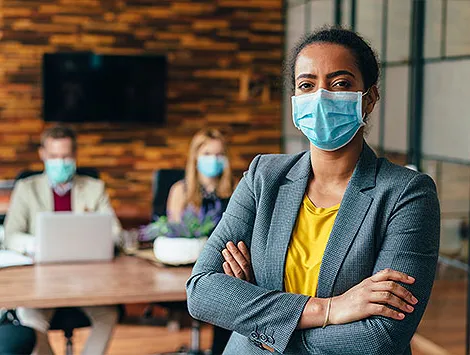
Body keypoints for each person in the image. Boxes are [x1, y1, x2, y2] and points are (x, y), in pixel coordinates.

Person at [186, 27, 440, 355]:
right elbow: (202, 290)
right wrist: (330, 309)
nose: (321, 96)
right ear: (294, 97)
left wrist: (261, 321)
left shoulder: (407, 194)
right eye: (307, 84)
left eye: (341, 83)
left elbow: (381, 337)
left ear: (370, 98)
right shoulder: (264, 177)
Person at [4, 125, 122, 355]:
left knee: (109, 314)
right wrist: (35, 245)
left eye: (66, 156)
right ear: (43, 155)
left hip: (86, 280)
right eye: (54, 156)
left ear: (75, 156)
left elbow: (115, 233)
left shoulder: (94, 188)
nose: (61, 162)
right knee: (29, 316)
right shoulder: (26, 188)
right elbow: (11, 235)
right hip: (39, 280)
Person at [167, 128, 234, 354]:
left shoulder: (236, 189)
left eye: (219, 154)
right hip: (188, 267)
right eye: (207, 154)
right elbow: (175, 233)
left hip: (226, 266)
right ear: (195, 157)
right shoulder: (180, 191)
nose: (213, 160)